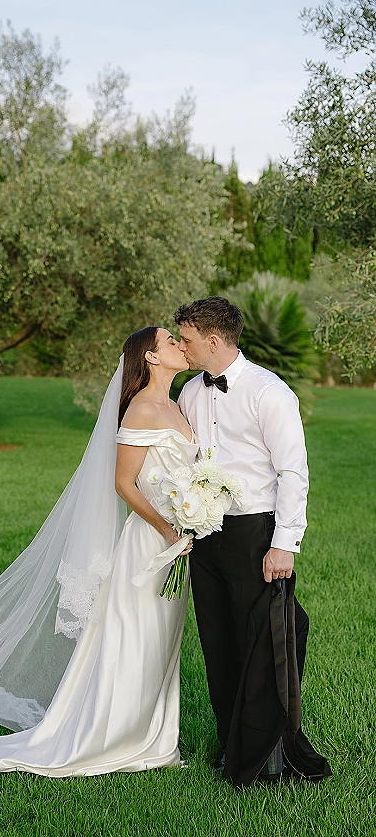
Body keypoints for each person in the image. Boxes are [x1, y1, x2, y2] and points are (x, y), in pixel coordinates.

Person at [0, 326, 199, 776]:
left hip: (179, 543)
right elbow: (124, 483)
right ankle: (110, 737)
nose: (180, 344)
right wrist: (166, 528)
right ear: (151, 357)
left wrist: (194, 515)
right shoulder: (141, 409)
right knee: (135, 637)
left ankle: (152, 736)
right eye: (170, 341)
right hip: (149, 544)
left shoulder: (177, 406)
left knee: (161, 640)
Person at [175, 296, 331, 787]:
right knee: (218, 642)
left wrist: (284, 543)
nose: (181, 346)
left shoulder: (269, 392)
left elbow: (293, 472)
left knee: (265, 641)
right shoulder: (189, 392)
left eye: (186, 339)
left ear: (213, 341)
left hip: (255, 534)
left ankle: (268, 753)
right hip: (205, 534)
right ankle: (231, 744)